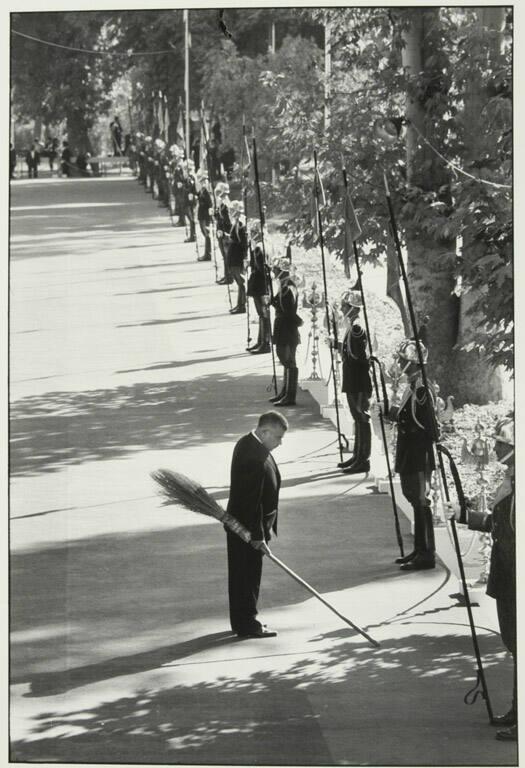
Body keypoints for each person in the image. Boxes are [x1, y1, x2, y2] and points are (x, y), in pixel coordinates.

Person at [466, 417, 516, 741]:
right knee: (515, 646)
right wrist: (467, 517)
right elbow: (500, 528)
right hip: (506, 579)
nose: (495, 447)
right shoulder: (511, 479)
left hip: (515, 580)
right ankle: (518, 709)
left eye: (501, 443)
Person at [226, 410, 288, 638]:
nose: (280, 443)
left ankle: (242, 620)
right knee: (246, 577)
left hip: (249, 527)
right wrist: (258, 536)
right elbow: (251, 501)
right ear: (264, 431)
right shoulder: (253, 454)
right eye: (278, 437)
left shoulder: (252, 444)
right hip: (246, 530)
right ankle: (247, 624)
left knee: (245, 576)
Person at [384, 339, 437, 571]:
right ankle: (419, 549)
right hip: (410, 452)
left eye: (403, 360)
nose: (399, 363)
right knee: (413, 498)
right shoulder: (414, 386)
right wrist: (392, 411)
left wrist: (394, 413)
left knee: (420, 501)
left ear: (413, 363)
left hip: (418, 453)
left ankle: (426, 554)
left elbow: (424, 424)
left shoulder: (422, 389)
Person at [336, 288, 373, 474]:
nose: (342, 308)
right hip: (353, 378)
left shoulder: (357, 328)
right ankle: (358, 455)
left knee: (361, 417)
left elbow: (359, 356)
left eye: (344, 305)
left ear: (352, 308)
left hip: (358, 380)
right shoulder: (352, 325)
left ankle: (363, 458)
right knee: (357, 418)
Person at [270, 258, 302, 407]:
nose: (273, 272)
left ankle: (290, 395)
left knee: (287, 359)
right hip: (283, 326)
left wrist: (298, 321)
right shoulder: (283, 285)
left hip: (287, 328)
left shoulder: (288, 287)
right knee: (285, 359)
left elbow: (288, 311)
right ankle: (285, 391)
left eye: (276, 270)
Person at [247, 241, 272, 354]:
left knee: (264, 315)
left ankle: (265, 343)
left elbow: (261, 268)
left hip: (261, 287)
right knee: (261, 316)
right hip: (259, 286)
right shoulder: (257, 248)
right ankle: (260, 341)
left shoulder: (259, 249)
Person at [228, 200, 248, 314]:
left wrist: (244, 258)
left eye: (232, 210)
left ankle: (242, 305)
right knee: (238, 281)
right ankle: (239, 304)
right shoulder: (236, 222)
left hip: (237, 256)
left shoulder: (240, 224)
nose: (230, 212)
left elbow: (243, 243)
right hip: (233, 254)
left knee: (240, 281)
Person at [215, 182, 233, 285]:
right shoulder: (221, 203)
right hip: (221, 232)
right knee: (224, 256)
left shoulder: (225, 205)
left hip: (225, 234)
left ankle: (229, 277)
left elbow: (228, 222)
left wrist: (223, 231)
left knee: (226, 256)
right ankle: (227, 275)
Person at [196, 171, 213, 261]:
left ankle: (208, 254)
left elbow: (210, 204)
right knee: (204, 233)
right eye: (201, 181)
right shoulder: (202, 190)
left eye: (204, 181)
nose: (203, 182)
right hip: (201, 215)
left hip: (205, 216)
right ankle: (207, 253)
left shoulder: (207, 191)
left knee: (207, 234)